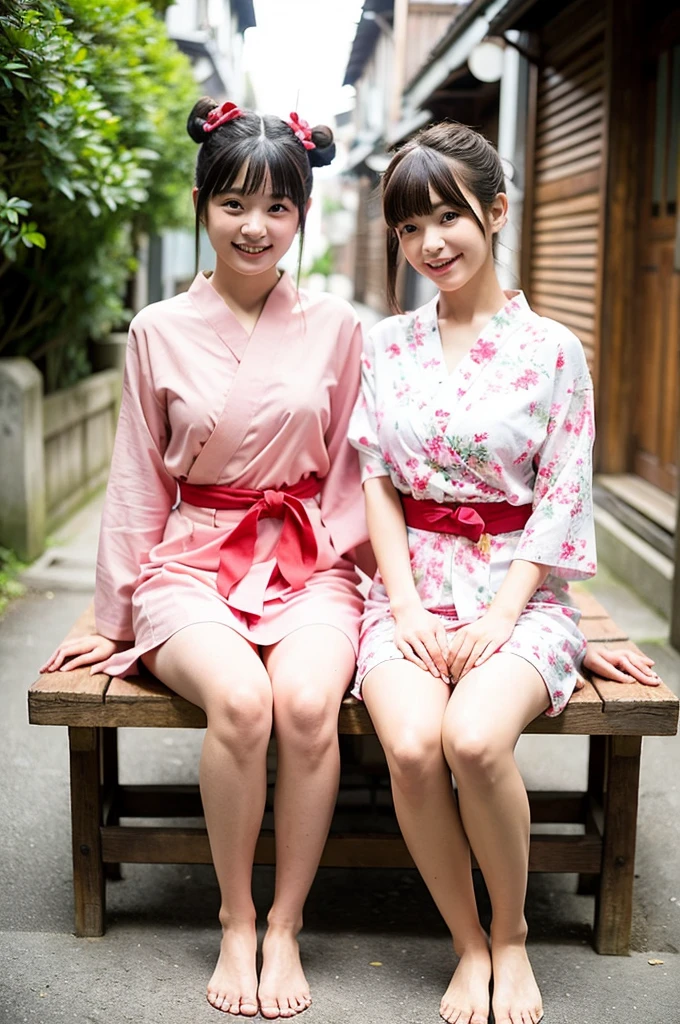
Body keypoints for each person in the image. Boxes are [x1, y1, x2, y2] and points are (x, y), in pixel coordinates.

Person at [40, 97, 373, 1020]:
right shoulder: (158, 327)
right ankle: (235, 917)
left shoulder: (341, 329)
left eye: (277, 207)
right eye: (233, 203)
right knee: (240, 698)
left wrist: (407, 603)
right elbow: (137, 479)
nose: (254, 226)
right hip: (191, 561)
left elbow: (356, 473)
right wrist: (111, 621)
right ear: (200, 205)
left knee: (306, 704)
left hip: (311, 560)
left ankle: (286, 925)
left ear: (301, 216)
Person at [347, 121, 661, 1024]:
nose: (429, 243)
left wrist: (498, 618)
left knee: (475, 741)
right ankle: (468, 944)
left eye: (447, 216)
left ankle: (513, 935)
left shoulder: (554, 350)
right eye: (409, 227)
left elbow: (562, 495)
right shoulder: (387, 343)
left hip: (519, 594)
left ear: (496, 211)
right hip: (410, 592)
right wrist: (403, 604)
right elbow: (376, 479)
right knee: (410, 744)